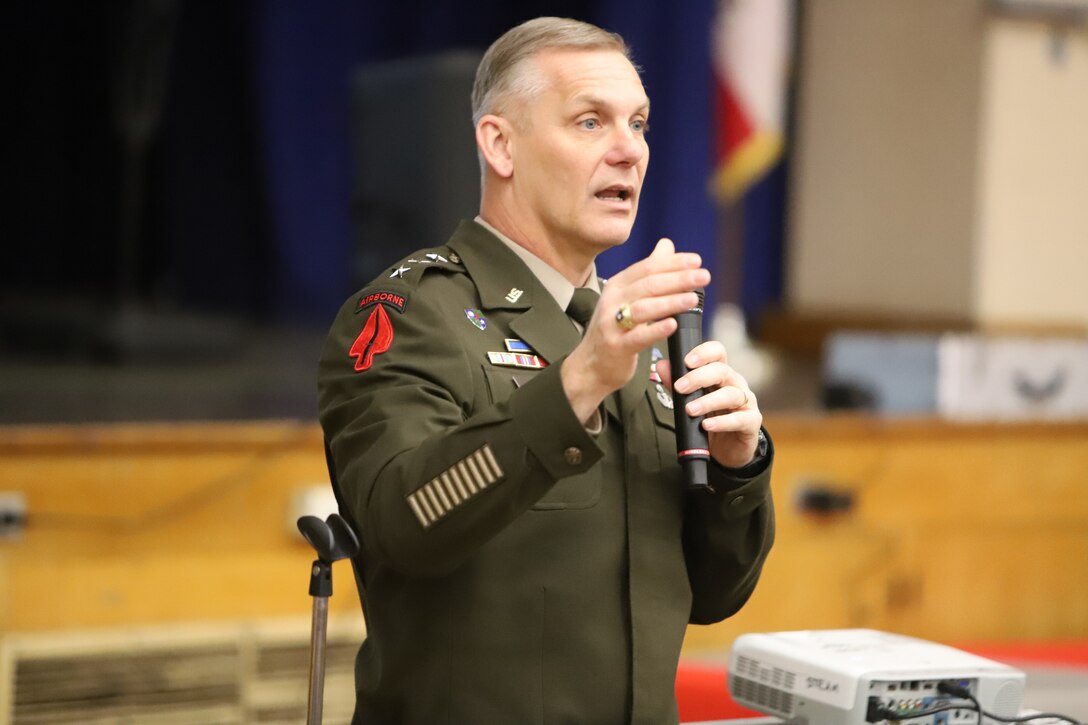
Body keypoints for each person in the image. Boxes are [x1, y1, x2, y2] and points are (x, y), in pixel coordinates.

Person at [318, 17, 775, 725]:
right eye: (590, 122)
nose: (629, 150)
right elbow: (402, 523)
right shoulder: (413, 313)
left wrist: (737, 468)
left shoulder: (639, 334)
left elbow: (713, 594)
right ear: (500, 143)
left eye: (639, 123)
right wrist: (579, 380)